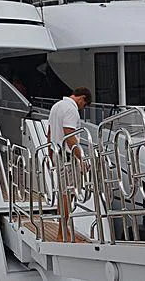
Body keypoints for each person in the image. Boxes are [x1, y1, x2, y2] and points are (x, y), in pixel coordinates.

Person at [46, 86, 92, 241]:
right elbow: (69, 134)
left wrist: (49, 154)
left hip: (57, 154)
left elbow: (50, 132)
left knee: (63, 193)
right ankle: (62, 233)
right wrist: (81, 158)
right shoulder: (71, 109)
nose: (82, 107)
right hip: (67, 156)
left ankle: (63, 230)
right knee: (68, 193)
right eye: (84, 105)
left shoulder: (56, 106)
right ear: (82, 98)